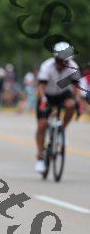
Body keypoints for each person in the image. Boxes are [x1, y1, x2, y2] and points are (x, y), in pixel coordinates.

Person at [35, 42, 82, 174]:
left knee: (71, 105)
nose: (62, 63)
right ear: (55, 58)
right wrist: (43, 99)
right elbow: (41, 86)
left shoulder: (73, 67)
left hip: (63, 94)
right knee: (42, 125)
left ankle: (61, 130)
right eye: (59, 60)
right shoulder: (46, 66)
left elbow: (76, 88)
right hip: (46, 95)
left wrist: (77, 101)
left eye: (65, 61)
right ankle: (40, 157)